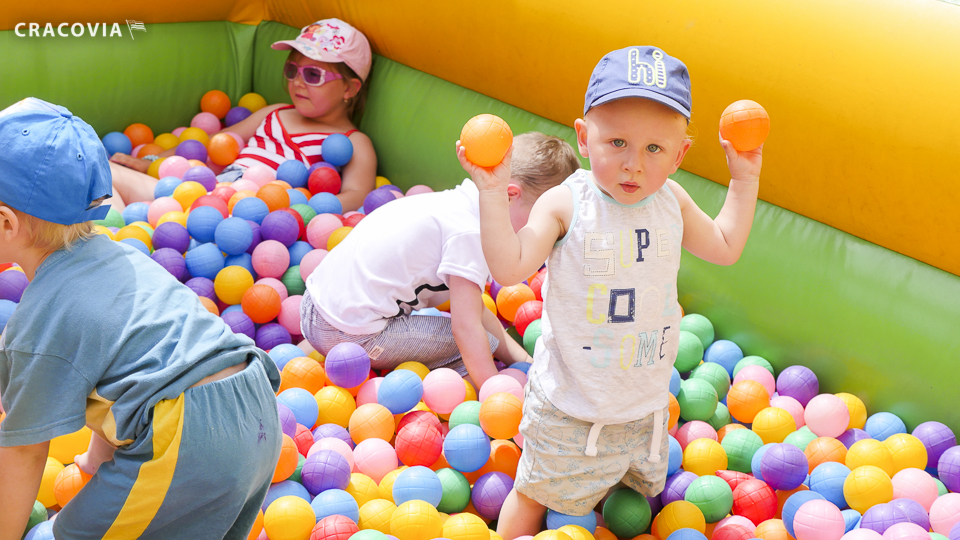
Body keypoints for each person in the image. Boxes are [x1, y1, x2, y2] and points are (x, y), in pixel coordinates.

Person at [459, 46, 763, 538]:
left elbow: (725, 246)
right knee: (535, 496)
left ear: (680, 154)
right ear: (584, 138)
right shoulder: (567, 203)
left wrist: (744, 177)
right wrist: (493, 194)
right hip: (572, 409)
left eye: (654, 149)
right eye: (617, 142)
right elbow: (508, 266)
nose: (633, 166)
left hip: (644, 405)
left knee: (631, 502)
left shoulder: (671, 201)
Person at [0, 98, 282, 539]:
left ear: (6, 224)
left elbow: (23, 453)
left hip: (190, 437)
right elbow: (134, 370)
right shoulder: (119, 257)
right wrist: (96, 464)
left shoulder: (40, 321)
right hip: (254, 406)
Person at [300, 132, 581, 389]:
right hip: (347, 336)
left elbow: (475, 312)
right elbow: (467, 327)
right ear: (511, 195)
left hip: (312, 308)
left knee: (478, 332)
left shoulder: (456, 207)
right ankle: (461, 383)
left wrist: (523, 359)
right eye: (543, 221)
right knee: (475, 342)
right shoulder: (474, 235)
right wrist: (494, 392)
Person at [109, 18, 377, 213]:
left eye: (313, 75)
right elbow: (212, 143)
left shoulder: (353, 141)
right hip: (206, 193)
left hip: (259, 215)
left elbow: (357, 194)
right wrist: (152, 162)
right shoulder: (275, 113)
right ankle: (113, 241)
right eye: (292, 69)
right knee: (105, 172)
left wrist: (302, 211)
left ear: (349, 88)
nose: (297, 82)